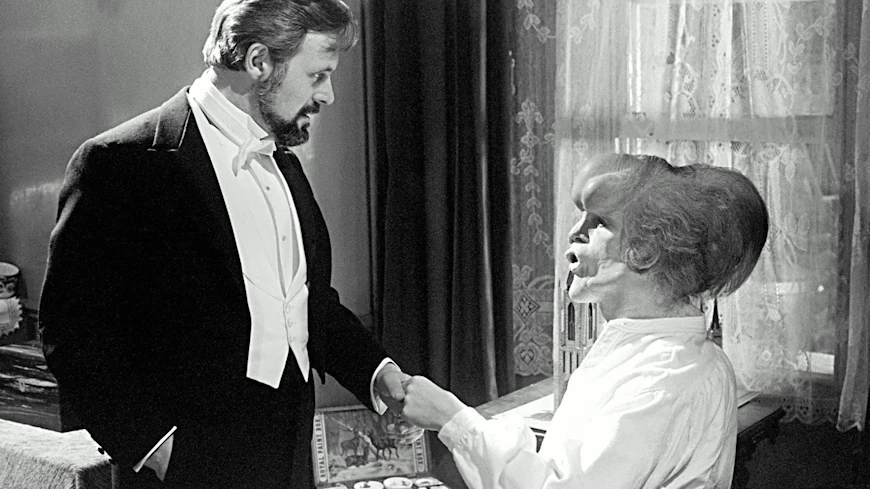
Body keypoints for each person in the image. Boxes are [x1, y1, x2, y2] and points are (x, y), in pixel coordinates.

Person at [38, 1, 414, 487]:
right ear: (259, 62)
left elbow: (304, 305)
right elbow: (72, 334)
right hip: (184, 469)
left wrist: (379, 373)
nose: (328, 94)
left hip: (289, 459)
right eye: (318, 75)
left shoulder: (283, 162)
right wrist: (159, 450)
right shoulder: (119, 163)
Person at [399, 153, 769, 489]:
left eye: (598, 222)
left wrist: (452, 419)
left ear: (646, 250)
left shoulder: (665, 378)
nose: (575, 232)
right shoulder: (650, 354)